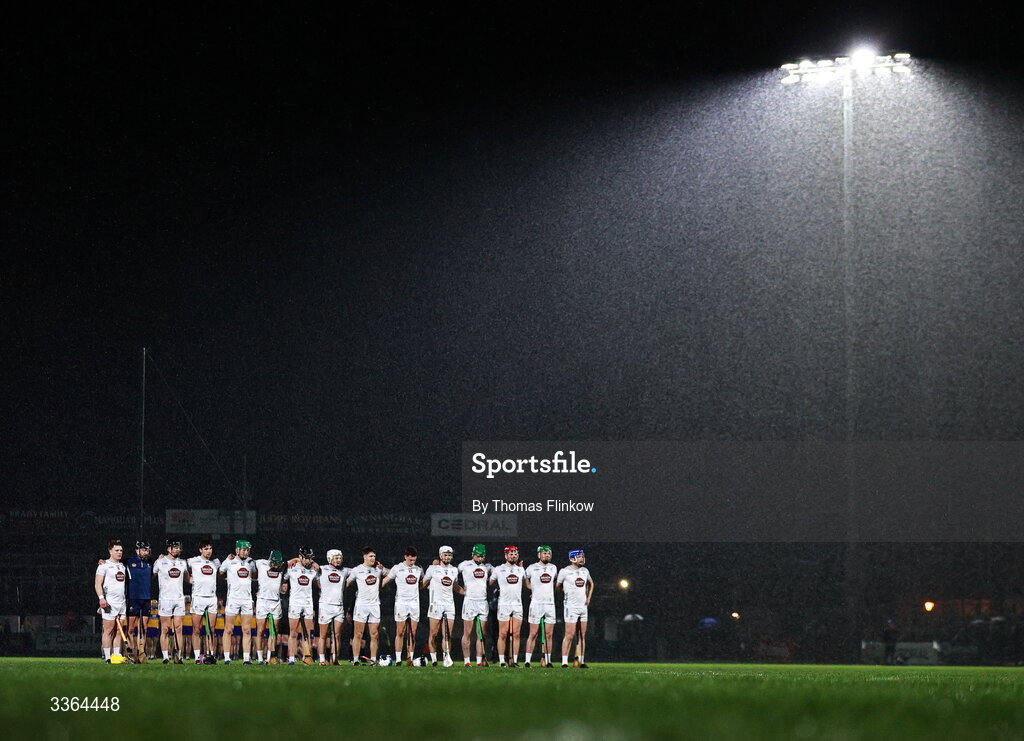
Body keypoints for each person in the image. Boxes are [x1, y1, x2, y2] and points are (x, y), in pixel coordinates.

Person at [347, 547, 387, 665]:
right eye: (370, 556)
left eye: (374, 556)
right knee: (358, 634)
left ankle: (373, 660)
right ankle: (355, 659)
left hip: (375, 605)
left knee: (374, 634)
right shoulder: (357, 570)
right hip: (361, 605)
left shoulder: (378, 569)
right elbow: (347, 583)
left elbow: (392, 573)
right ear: (364, 557)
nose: (373, 558)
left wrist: (383, 567)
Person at [383, 546, 423, 664]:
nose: (412, 563)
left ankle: (409, 657)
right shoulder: (397, 568)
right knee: (400, 631)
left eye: (414, 560)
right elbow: (385, 581)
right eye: (410, 560)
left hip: (415, 603)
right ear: (405, 557)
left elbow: (422, 583)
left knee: (413, 632)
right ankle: (399, 658)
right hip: (401, 603)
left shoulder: (418, 569)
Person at [422, 545, 462, 666]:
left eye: (449, 555)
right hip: (436, 604)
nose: (447, 557)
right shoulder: (432, 569)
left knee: (447, 634)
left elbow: (455, 586)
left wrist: (467, 592)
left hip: (449, 604)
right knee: (433, 633)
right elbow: (423, 584)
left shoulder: (454, 570)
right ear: (440, 556)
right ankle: (434, 658)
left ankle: (446, 657)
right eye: (445, 554)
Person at [220, 539, 256, 664]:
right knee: (229, 629)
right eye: (244, 550)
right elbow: (219, 573)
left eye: (248, 550)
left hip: (246, 599)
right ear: (237, 550)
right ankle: (227, 658)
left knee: (246, 629)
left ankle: (246, 658)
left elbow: (255, 576)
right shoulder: (229, 561)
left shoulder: (251, 562)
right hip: (233, 599)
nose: (246, 552)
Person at [557, 548, 593, 668]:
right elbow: (557, 586)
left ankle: (581, 661)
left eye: (583, 556)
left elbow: (591, 583)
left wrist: (588, 598)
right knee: (569, 634)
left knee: (582, 635)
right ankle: (564, 662)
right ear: (572, 558)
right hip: (570, 607)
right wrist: (565, 593)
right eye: (579, 556)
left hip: (583, 607)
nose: (582, 558)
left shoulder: (585, 571)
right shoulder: (564, 571)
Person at [490, 545, 526, 667]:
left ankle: (514, 661)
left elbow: (528, 585)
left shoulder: (521, 570)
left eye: (515, 554)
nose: (513, 556)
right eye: (511, 554)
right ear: (506, 555)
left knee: (516, 634)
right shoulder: (498, 569)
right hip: (504, 604)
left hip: (517, 604)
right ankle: (501, 661)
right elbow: (489, 583)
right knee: (503, 634)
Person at [458, 544, 493, 667]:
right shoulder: (464, 565)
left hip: (482, 602)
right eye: (478, 556)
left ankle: (479, 661)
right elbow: (451, 573)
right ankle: (467, 661)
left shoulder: (488, 567)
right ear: (473, 555)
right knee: (467, 633)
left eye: (482, 556)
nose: (480, 558)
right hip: (469, 601)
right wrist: (460, 588)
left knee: (481, 633)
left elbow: (498, 574)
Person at [153, 539, 188, 663]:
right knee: (165, 629)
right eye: (175, 547)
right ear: (169, 549)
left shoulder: (183, 563)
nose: (178, 549)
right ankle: (165, 656)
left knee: (179, 628)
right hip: (165, 599)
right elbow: (151, 576)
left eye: (179, 547)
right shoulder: (160, 562)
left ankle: (178, 656)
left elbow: (188, 579)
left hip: (179, 599)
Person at [187, 539, 221, 662]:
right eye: (206, 549)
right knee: (196, 629)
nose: (208, 551)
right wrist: (190, 580)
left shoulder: (215, 563)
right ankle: (197, 656)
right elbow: (183, 570)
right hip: (198, 598)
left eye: (210, 548)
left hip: (211, 598)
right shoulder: (193, 561)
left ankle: (210, 654)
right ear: (200, 550)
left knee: (211, 629)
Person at [94, 539, 128, 662]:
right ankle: (107, 657)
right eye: (117, 550)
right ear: (110, 551)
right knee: (108, 630)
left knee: (119, 631)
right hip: (109, 603)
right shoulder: (104, 565)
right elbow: (98, 583)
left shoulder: (122, 566)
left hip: (121, 603)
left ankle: (116, 655)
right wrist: (101, 598)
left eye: (121, 550)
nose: (119, 552)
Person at [524, 545, 558, 667]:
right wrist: (530, 588)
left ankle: (548, 660)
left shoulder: (553, 568)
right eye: (544, 553)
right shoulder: (531, 568)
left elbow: (553, 584)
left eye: (549, 553)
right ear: (539, 555)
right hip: (536, 604)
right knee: (533, 634)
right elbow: (524, 579)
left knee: (549, 634)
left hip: (549, 604)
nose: (547, 555)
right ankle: (527, 661)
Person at [285, 547, 318, 664]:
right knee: (293, 632)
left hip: (308, 604)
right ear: (300, 557)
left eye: (310, 558)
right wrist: (294, 559)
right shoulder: (291, 567)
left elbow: (319, 580)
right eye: (306, 558)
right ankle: (292, 658)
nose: (308, 561)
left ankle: (306, 657)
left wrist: (315, 564)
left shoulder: (313, 570)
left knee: (308, 633)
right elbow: (282, 571)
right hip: (295, 603)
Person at [254, 549, 287, 664]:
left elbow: (293, 561)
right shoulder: (261, 563)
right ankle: (259, 658)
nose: (276, 565)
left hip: (275, 602)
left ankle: (270, 657)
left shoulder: (282, 568)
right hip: (262, 601)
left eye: (278, 563)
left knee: (274, 632)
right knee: (260, 631)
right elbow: (249, 563)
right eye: (274, 563)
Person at [316, 548, 349, 665]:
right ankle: (322, 659)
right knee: (323, 635)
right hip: (325, 606)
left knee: (337, 635)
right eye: (336, 558)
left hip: (339, 606)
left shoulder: (344, 571)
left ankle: (334, 659)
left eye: (340, 558)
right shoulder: (321, 569)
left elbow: (359, 571)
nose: (339, 560)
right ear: (330, 558)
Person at [125, 541, 152, 660]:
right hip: (133, 598)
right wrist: (102, 561)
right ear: (137, 550)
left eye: (147, 550)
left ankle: (141, 652)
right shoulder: (128, 561)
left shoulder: (151, 562)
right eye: (143, 550)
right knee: (131, 627)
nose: (146, 552)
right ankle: (130, 651)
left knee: (144, 627)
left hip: (146, 598)